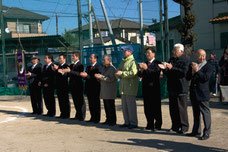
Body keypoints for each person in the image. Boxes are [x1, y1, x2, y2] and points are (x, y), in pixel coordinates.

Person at [159, 43, 189, 134]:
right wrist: (164, 68)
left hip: (181, 87)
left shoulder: (185, 60)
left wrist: (172, 68)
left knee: (181, 109)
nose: (173, 52)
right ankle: (175, 126)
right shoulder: (172, 59)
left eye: (175, 50)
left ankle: (184, 127)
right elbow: (168, 72)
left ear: (181, 51)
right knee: (173, 108)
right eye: (173, 50)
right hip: (172, 87)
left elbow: (183, 73)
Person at [186, 49, 212, 140]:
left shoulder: (208, 66)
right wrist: (192, 72)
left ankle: (207, 132)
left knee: (205, 113)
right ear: (196, 56)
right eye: (200, 56)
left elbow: (205, 78)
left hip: (203, 93)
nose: (202, 58)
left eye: (203, 55)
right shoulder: (193, 65)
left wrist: (197, 71)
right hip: (194, 93)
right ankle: (196, 131)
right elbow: (187, 77)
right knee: (195, 113)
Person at [138, 47, 162, 131]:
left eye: (149, 53)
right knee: (147, 108)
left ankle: (158, 124)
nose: (147, 55)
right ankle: (150, 123)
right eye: (146, 53)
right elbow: (139, 75)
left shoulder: (158, 63)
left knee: (156, 107)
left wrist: (146, 69)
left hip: (154, 88)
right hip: (146, 88)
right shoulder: (145, 63)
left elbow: (155, 74)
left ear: (153, 53)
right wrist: (141, 70)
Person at [116, 45, 138, 129]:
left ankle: (133, 123)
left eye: (125, 51)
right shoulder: (123, 61)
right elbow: (118, 71)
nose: (123, 52)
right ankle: (127, 121)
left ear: (130, 52)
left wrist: (121, 74)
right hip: (123, 88)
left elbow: (133, 72)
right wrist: (118, 74)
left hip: (130, 88)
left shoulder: (133, 61)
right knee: (124, 107)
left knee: (131, 107)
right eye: (123, 51)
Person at [95, 55, 117, 126]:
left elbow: (110, 79)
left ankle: (113, 121)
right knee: (106, 106)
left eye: (104, 60)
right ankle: (108, 119)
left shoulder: (112, 69)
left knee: (111, 106)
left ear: (109, 60)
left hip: (110, 90)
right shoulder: (104, 68)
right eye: (103, 60)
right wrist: (98, 77)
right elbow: (102, 77)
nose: (103, 61)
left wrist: (101, 77)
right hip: (104, 90)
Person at [63, 51, 86, 121]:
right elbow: (69, 74)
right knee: (75, 101)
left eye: (73, 56)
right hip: (72, 85)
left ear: (77, 57)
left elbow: (79, 74)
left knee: (80, 101)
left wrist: (70, 71)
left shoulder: (80, 65)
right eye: (72, 56)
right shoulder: (71, 65)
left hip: (78, 85)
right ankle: (77, 114)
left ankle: (82, 116)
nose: (72, 57)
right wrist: (63, 72)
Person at [80, 54, 102, 123]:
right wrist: (84, 76)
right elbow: (86, 76)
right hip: (88, 88)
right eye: (89, 57)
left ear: (95, 59)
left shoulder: (98, 67)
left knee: (96, 103)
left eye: (91, 58)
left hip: (95, 88)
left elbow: (97, 77)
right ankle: (92, 117)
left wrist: (87, 76)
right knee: (91, 103)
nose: (90, 59)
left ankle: (96, 118)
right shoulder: (88, 67)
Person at [53, 54, 70, 119]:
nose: (59, 60)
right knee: (60, 100)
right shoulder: (59, 66)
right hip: (58, 86)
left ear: (64, 59)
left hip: (64, 86)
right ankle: (62, 113)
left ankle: (66, 114)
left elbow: (66, 74)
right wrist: (55, 70)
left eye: (61, 58)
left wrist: (60, 70)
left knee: (65, 100)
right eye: (59, 59)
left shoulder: (66, 66)